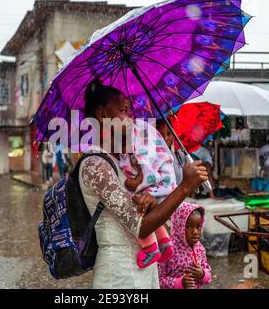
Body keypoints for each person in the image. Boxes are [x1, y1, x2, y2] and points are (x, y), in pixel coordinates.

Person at [78, 78, 208, 288]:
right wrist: (185, 187)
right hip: (119, 275)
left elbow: (154, 218)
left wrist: (151, 203)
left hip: (146, 270)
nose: (131, 119)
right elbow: (140, 228)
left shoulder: (123, 161)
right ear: (103, 116)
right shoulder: (96, 165)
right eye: (124, 111)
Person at [119, 120, 176, 269]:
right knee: (152, 213)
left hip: (156, 188)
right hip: (165, 187)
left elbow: (143, 178)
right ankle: (164, 242)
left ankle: (150, 248)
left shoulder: (140, 154)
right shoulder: (149, 142)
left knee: (138, 210)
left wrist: (129, 183)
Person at [158, 202, 212, 289]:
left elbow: (208, 273)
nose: (195, 232)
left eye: (198, 227)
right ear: (179, 225)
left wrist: (202, 274)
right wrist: (180, 283)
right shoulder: (168, 249)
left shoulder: (200, 248)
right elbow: (158, 280)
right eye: (188, 227)